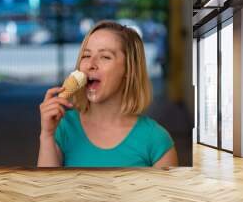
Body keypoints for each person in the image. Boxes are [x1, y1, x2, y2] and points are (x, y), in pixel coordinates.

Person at [38, 21, 178, 167]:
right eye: (86, 55)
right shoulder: (63, 127)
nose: (90, 64)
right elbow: (46, 189)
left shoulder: (156, 140)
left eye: (105, 57)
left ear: (129, 70)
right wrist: (47, 135)